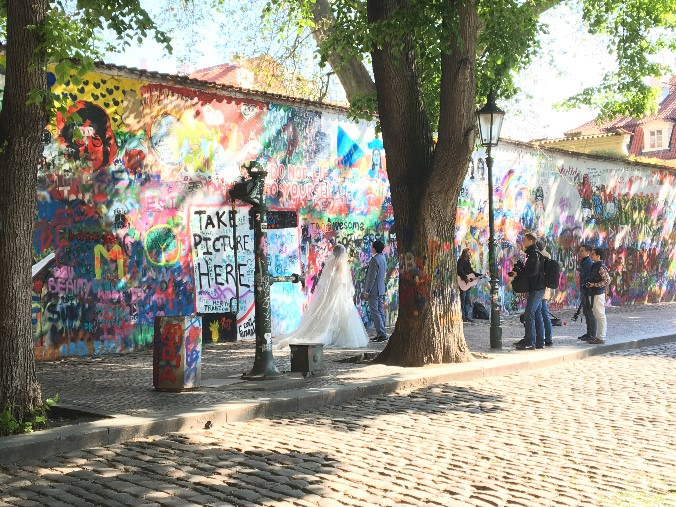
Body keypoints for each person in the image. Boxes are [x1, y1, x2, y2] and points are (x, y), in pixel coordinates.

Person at [273, 244, 368, 349]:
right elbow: (342, 279)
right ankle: (336, 337)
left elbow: (326, 279)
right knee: (341, 313)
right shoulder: (341, 264)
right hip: (338, 291)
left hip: (330, 291)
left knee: (328, 313)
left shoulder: (330, 262)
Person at [509, 233, 546, 350]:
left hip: (537, 288)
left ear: (530, 241)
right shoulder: (533, 253)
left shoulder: (534, 254)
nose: (523, 242)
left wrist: (518, 273)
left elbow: (532, 272)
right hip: (537, 287)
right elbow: (531, 270)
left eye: (525, 240)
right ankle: (539, 342)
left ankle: (530, 342)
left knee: (529, 315)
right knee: (537, 315)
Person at [583, 247, 610, 344]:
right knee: (596, 314)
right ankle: (598, 336)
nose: (591, 255)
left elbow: (607, 280)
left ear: (598, 256)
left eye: (593, 254)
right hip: (594, 293)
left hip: (598, 293)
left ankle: (601, 337)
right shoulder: (595, 265)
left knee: (600, 315)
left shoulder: (600, 267)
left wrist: (595, 285)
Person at [363, 240, 388, 342]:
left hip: (374, 290)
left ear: (374, 248)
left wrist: (367, 291)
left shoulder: (375, 260)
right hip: (381, 288)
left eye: (372, 246)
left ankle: (381, 334)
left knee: (375, 312)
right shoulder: (382, 258)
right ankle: (382, 332)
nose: (371, 248)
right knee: (380, 311)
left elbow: (371, 277)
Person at [457, 248, 483, 323]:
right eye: (468, 252)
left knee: (467, 300)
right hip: (463, 283)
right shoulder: (461, 260)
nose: (469, 254)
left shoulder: (468, 261)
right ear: (465, 253)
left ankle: (467, 316)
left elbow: (471, 272)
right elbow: (459, 270)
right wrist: (465, 277)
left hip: (468, 284)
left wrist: (480, 275)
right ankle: (462, 316)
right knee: (463, 299)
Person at [577, 245, 597, 341]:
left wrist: (586, 287)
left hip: (588, 291)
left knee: (590, 312)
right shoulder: (584, 262)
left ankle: (592, 334)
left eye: (582, 251)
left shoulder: (588, 263)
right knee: (586, 312)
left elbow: (589, 277)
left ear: (588, 253)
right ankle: (589, 332)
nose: (580, 252)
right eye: (580, 250)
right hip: (584, 290)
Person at [536, 240, 554, 347]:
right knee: (544, 313)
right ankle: (547, 337)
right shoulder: (547, 255)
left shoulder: (541, 256)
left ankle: (543, 338)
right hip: (545, 289)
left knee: (540, 314)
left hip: (541, 288)